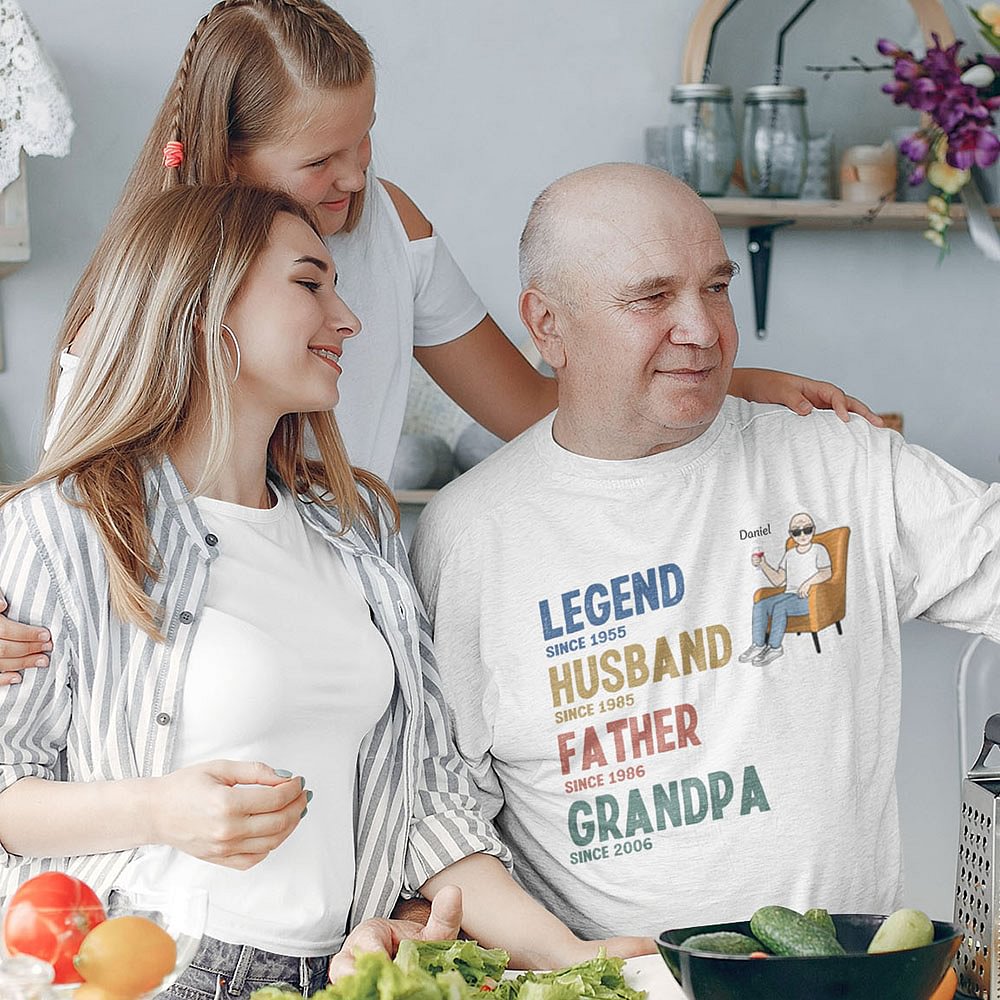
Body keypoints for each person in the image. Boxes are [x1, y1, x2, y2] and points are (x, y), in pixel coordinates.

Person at [0, 0, 882, 683]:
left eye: (365, 140)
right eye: (319, 162)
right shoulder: (134, 303)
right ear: (229, 164)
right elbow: (73, 513)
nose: (354, 177)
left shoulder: (393, 229)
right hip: (187, 658)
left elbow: (535, 408)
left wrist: (726, 380)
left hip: (356, 631)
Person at [0, 184, 648, 998]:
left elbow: (429, 809)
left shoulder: (359, 534)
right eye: (310, 283)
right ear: (203, 304)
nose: (348, 318)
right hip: (146, 968)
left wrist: (569, 955)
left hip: (338, 976)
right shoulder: (69, 526)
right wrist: (159, 809)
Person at [409, 163, 1000, 941]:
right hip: (601, 993)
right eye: (653, 297)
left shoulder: (843, 465)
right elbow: (444, 815)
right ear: (547, 325)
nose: (702, 329)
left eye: (716, 288)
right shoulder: (467, 535)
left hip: (841, 982)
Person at [738, 511, 832, 666]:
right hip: (790, 594)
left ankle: (775, 647)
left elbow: (827, 572)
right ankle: (758, 644)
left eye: (807, 530)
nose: (802, 535)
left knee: (780, 607)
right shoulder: (790, 554)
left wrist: (808, 583)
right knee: (761, 604)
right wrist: (763, 564)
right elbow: (778, 580)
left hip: (811, 597)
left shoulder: (818, 549)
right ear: (791, 534)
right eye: (796, 532)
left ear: (813, 530)